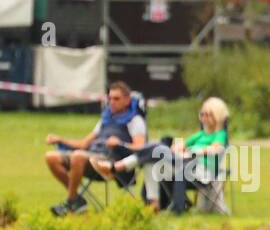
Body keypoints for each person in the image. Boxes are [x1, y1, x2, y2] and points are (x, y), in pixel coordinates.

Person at [92, 97, 229, 213]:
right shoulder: (200, 135)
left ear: (217, 116)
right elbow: (178, 146)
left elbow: (215, 149)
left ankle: (116, 167)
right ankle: (154, 205)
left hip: (201, 172)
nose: (203, 118)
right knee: (151, 162)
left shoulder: (220, 134)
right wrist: (180, 149)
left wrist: (191, 151)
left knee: (156, 147)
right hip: (184, 165)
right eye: (202, 114)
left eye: (208, 115)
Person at [44, 81, 146, 216]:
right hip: (91, 156)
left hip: (112, 163)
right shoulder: (105, 119)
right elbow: (83, 144)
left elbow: (141, 147)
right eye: (110, 98)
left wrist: (120, 143)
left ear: (127, 100)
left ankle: (70, 203)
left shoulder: (135, 121)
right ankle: (76, 199)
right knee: (51, 157)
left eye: (116, 99)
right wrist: (60, 140)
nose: (112, 102)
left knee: (78, 156)